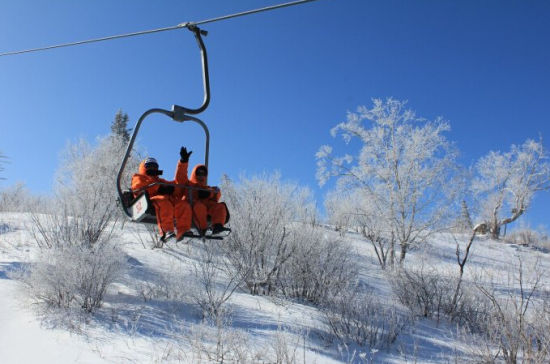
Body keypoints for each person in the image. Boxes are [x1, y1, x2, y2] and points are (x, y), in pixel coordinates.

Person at [131, 148, 193, 242]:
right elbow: (138, 187)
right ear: (144, 168)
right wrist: (158, 188)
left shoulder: (159, 181)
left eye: (155, 167)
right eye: (149, 166)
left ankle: (183, 229)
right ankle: (166, 230)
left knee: (183, 204)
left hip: (163, 199)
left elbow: (179, 184)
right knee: (164, 202)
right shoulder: (139, 177)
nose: (152, 169)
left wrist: (183, 163)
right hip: (147, 201)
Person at [176, 155, 229, 236]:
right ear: (194, 174)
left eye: (203, 174)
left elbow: (216, 195)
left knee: (220, 206)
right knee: (199, 207)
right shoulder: (188, 185)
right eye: (199, 174)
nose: (201, 176)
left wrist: (209, 193)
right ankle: (203, 229)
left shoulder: (207, 188)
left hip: (206, 207)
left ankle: (217, 226)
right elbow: (180, 178)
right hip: (191, 206)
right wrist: (183, 162)